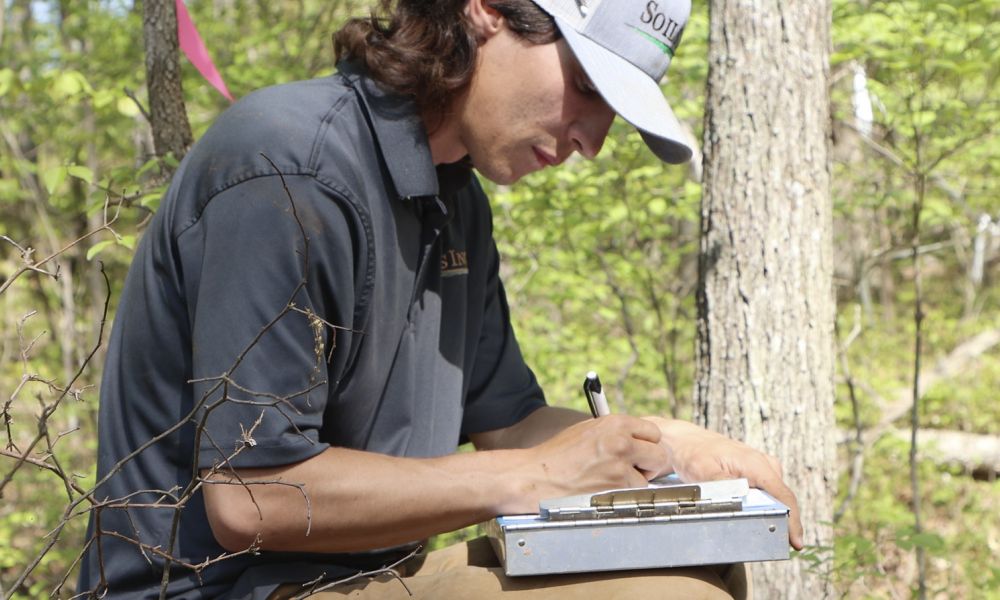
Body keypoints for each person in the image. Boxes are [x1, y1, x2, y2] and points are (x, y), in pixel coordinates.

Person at [78, 0, 803, 598]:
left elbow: (508, 420)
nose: (594, 140)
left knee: (700, 561)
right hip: (225, 587)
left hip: (373, 575)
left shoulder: (455, 196)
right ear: (485, 12)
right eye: (586, 85)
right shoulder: (287, 170)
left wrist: (680, 446)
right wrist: (537, 475)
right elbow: (250, 497)